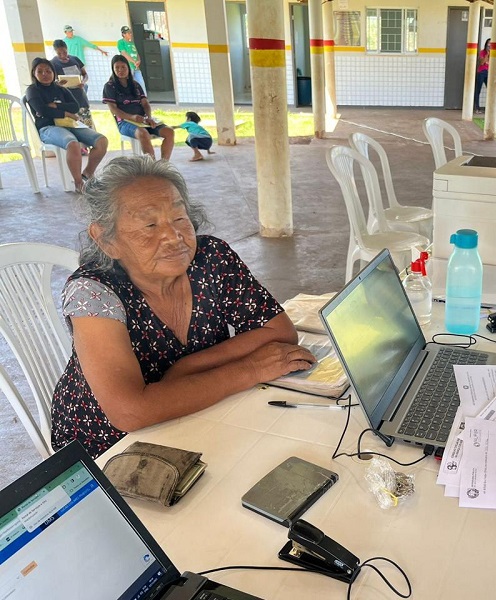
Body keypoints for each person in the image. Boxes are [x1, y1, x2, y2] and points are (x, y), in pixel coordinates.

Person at [51, 156, 317, 458]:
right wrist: (251, 368)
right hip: (112, 446)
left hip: (200, 411)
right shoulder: (93, 292)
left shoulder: (210, 256)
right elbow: (130, 412)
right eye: (149, 225)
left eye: (179, 218)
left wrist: (186, 368)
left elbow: (278, 331)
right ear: (106, 239)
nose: (173, 236)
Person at [25, 57, 108, 191]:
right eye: (40, 71)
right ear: (34, 73)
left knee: (101, 141)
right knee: (72, 143)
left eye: (48, 71)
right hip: (48, 127)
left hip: (70, 125)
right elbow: (42, 110)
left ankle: (87, 173)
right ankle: (78, 183)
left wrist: (55, 105)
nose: (45, 74)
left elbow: (75, 106)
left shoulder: (60, 88)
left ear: (53, 73)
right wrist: (65, 113)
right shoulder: (32, 90)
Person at [103, 55, 174, 160]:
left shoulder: (135, 85)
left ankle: (164, 164)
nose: (120, 70)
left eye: (123, 67)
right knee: (142, 133)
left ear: (128, 68)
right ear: (113, 69)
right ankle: (152, 166)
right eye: (117, 68)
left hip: (143, 120)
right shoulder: (109, 86)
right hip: (125, 122)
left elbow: (145, 104)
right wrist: (132, 117)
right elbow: (114, 109)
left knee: (169, 131)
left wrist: (149, 117)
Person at [50, 39, 93, 128]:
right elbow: (52, 82)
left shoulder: (75, 59)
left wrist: (83, 82)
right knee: (74, 126)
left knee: (87, 124)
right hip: (66, 98)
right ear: (55, 52)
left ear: (67, 49)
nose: (62, 55)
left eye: (64, 52)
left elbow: (85, 74)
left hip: (80, 96)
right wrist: (58, 83)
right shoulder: (53, 63)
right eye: (59, 54)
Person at [117, 25, 146, 94]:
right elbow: (124, 53)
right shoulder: (121, 42)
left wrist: (138, 61)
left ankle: (143, 99)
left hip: (136, 67)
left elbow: (136, 53)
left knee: (141, 83)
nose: (130, 34)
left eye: (130, 32)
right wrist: (133, 62)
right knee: (129, 84)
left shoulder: (132, 42)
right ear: (123, 34)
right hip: (128, 66)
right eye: (128, 33)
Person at [474, 38, 490, 114]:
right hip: (481, 72)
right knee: (478, 90)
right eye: (488, 43)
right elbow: (482, 62)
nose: (490, 45)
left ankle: (490, 108)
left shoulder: (495, 53)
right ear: (486, 44)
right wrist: (487, 54)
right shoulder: (482, 52)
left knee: (491, 90)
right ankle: (477, 108)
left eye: (491, 44)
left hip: (489, 72)